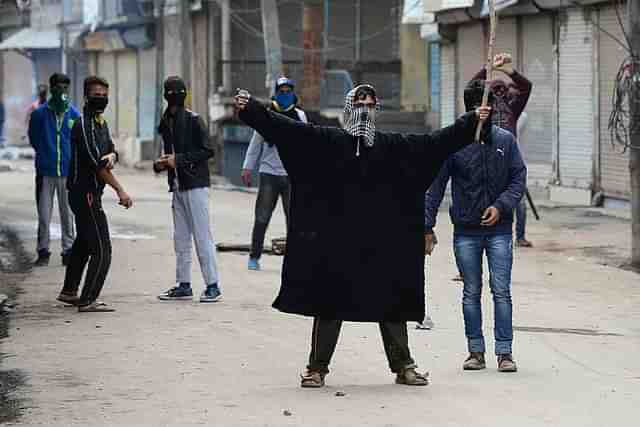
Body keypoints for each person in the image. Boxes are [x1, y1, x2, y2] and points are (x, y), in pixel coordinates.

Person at [235, 84, 491, 388]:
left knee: (392, 301)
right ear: (348, 108)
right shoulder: (326, 142)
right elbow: (286, 130)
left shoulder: (394, 148)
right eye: (359, 104)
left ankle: (403, 366)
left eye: (371, 105)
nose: (365, 111)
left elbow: (436, 143)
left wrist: (472, 120)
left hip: (381, 244)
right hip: (338, 244)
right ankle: (316, 368)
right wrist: (251, 110)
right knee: (329, 303)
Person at [424, 79, 527, 373]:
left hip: (499, 231)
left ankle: (505, 353)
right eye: (476, 108)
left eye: (487, 108)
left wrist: (501, 206)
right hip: (466, 231)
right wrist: (426, 226)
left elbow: (518, 179)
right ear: (469, 110)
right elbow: (436, 186)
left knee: (501, 291)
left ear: (493, 109)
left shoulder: (505, 141)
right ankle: (475, 351)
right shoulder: (454, 146)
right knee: (471, 291)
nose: (483, 113)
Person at [57, 76, 133, 312]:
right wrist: (121, 190)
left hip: (91, 193)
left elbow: (111, 152)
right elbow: (98, 164)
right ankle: (88, 299)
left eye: (104, 94)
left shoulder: (101, 123)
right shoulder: (84, 124)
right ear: (87, 96)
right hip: (85, 192)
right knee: (102, 248)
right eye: (96, 94)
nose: (101, 98)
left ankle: (69, 290)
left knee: (83, 242)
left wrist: (112, 156)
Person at [154, 76, 221, 303]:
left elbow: (207, 151)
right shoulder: (165, 122)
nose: (173, 97)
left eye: (176, 92)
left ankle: (213, 285)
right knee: (180, 238)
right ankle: (183, 284)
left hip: (196, 185)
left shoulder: (194, 120)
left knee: (203, 237)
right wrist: (162, 163)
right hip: (177, 187)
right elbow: (168, 152)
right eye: (170, 92)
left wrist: (179, 160)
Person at [241, 77, 308, 271]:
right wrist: (247, 167)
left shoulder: (300, 116)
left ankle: (296, 259)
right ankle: (254, 256)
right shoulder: (267, 115)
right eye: (282, 91)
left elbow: (307, 143)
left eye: (288, 91)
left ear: (293, 93)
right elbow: (255, 144)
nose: (285, 95)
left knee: (294, 219)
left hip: (291, 175)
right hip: (268, 174)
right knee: (262, 217)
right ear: (276, 93)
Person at [471, 53, 533, 247]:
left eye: (501, 91)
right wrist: (487, 68)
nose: (498, 95)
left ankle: (520, 236)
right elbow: (471, 87)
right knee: (480, 202)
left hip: (509, 161)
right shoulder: (481, 110)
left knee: (519, 202)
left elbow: (526, 87)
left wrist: (508, 71)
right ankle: (479, 237)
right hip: (485, 161)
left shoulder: (513, 109)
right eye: (494, 91)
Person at [28, 74, 80, 267]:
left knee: (68, 214)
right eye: (58, 87)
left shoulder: (73, 114)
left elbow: (76, 142)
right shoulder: (40, 114)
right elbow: (34, 138)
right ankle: (43, 251)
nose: (62, 91)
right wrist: (44, 154)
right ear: (52, 88)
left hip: (67, 172)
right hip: (45, 172)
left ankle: (68, 251)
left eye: (65, 87)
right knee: (44, 214)